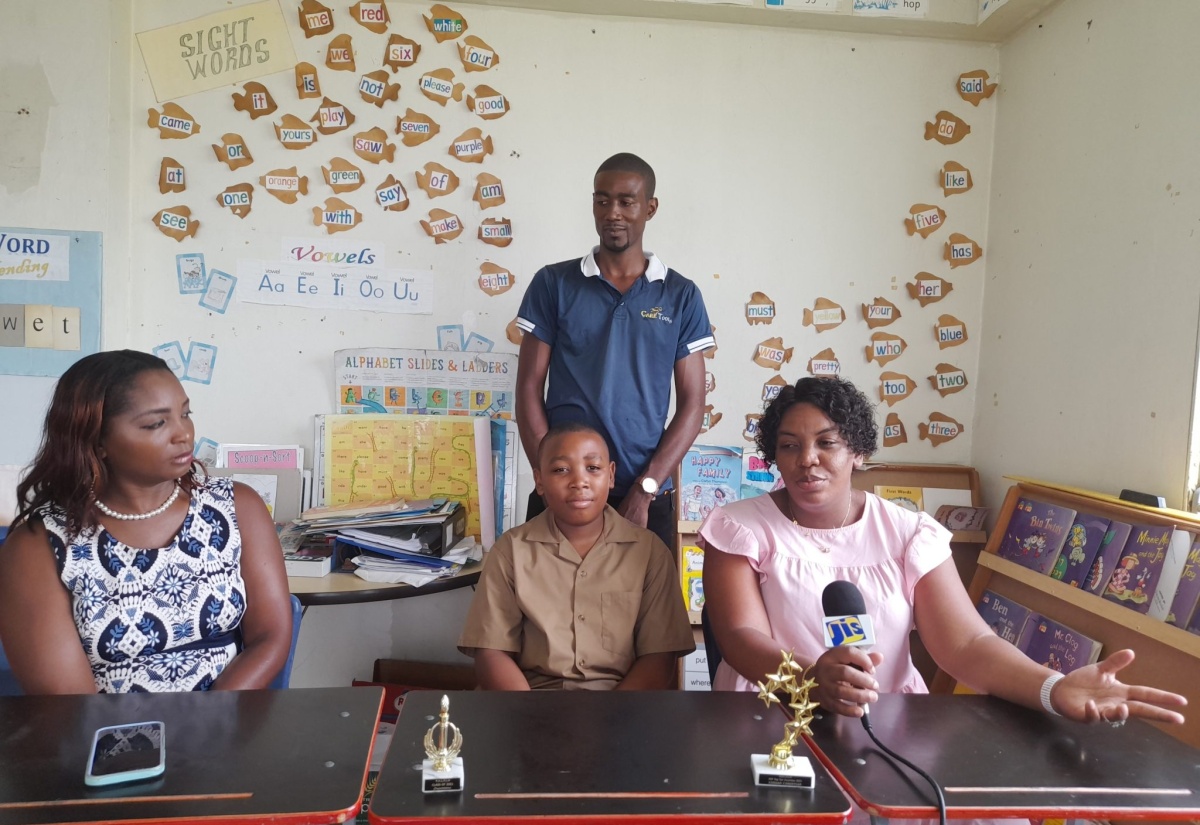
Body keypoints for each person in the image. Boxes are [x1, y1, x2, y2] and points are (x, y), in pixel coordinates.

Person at [701, 376, 1187, 727]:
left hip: (884, 724)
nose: (807, 460)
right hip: (768, 718)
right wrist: (812, 678)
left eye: (827, 443)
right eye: (789, 446)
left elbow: (968, 645)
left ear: (859, 453)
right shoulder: (739, 528)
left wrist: (1052, 688)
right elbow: (740, 637)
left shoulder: (909, 533)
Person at [0, 350, 293, 694]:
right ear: (97, 441)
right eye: (157, 423)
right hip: (104, 740)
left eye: (185, 414)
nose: (183, 434)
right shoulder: (38, 546)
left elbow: (270, 637)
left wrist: (209, 723)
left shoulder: (236, 506)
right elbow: (69, 706)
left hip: (227, 729)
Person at [515, 152, 714, 550]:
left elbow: (693, 403)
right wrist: (548, 476)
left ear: (650, 208)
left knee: (643, 611)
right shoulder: (554, 283)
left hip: (643, 494)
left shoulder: (681, 295)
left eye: (627, 201)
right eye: (602, 200)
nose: (613, 213)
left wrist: (647, 488)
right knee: (546, 608)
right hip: (564, 491)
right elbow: (528, 389)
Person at [458, 422, 694, 690]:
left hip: (622, 706)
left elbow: (659, 656)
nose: (579, 481)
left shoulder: (650, 553)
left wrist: (611, 721)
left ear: (611, 475)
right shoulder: (511, 550)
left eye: (593, 468)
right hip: (528, 704)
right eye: (561, 470)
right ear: (539, 481)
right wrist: (531, 719)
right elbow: (491, 652)